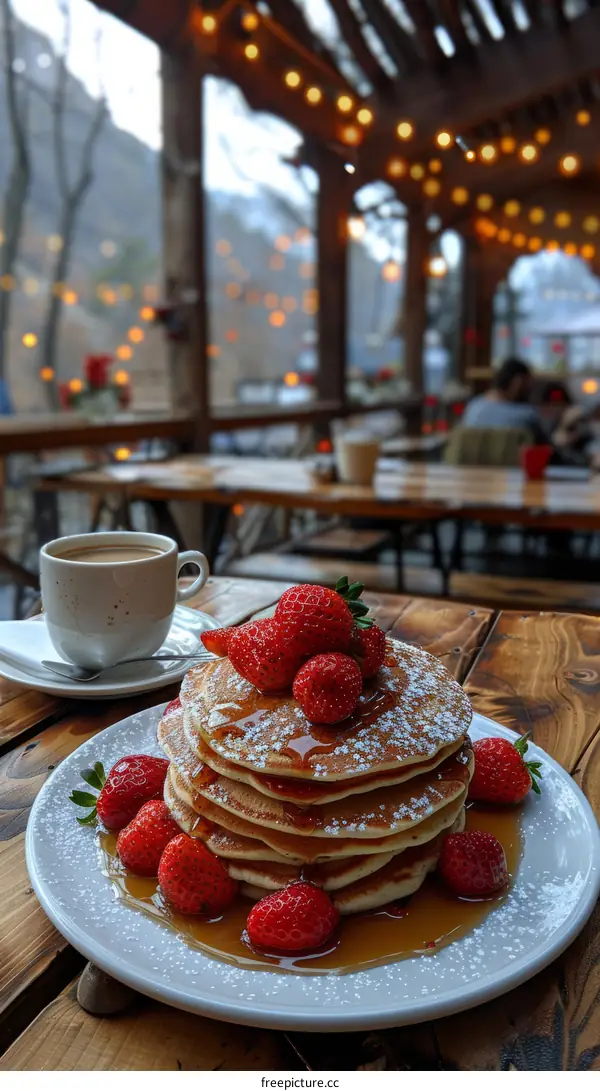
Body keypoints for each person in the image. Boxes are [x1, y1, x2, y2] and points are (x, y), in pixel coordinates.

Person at [462, 358, 548, 443]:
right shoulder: (527, 416)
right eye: (528, 386)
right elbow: (546, 448)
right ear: (518, 383)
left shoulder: (472, 407)